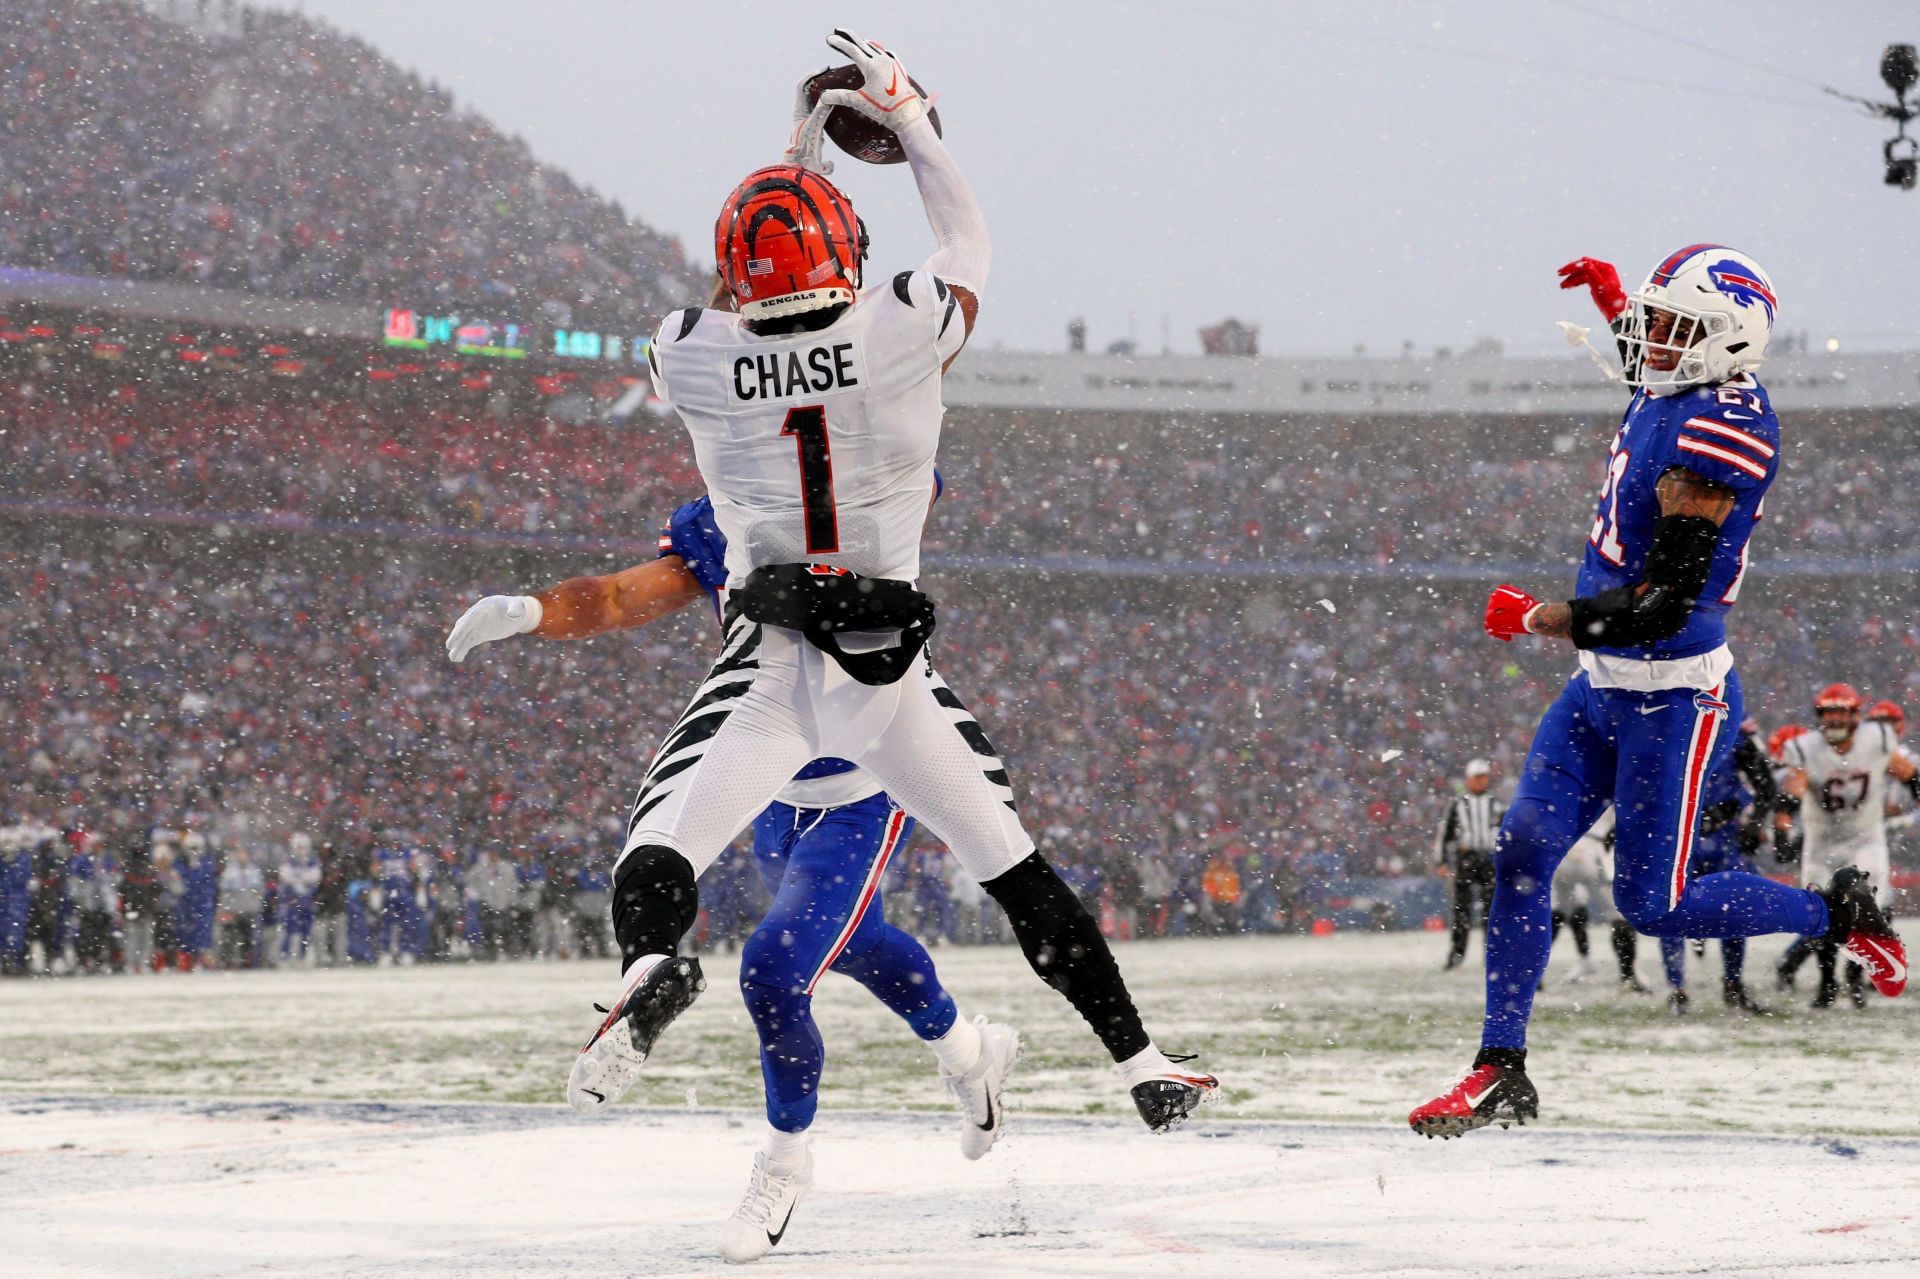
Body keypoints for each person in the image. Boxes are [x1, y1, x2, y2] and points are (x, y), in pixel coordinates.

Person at [450, 17, 1212, 1220]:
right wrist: (904, 118)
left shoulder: (688, 356)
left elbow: (728, 305)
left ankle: (651, 968)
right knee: (1020, 877)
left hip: (768, 669)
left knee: (657, 851)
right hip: (888, 678)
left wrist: (790, 156)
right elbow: (965, 238)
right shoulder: (906, 329)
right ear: (851, 249)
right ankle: (1138, 1059)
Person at [1410, 246, 1905, 1139]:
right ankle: (1501, 1067)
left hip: (1672, 697)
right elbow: (1650, 358)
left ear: (1726, 343)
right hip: (1601, 688)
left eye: (1673, 325)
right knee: (1523, 850)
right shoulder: (1680, 378)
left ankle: (1838, 910)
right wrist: (1613, 298)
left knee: (1652, 902)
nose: (1650, 340)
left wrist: (1538, 619)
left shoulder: (1723, 433)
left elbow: (1657, 604)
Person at [1774, 683, 1919, 1009]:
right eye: (1829, 713)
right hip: (1821, 841)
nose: (1835, 720)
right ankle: (1827, 983)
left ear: (1856, 716)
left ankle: (1855, 979)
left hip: (1865, 837)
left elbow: (1908, 773)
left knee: (1865, 907)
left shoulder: (1876, 740)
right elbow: (1794, 786)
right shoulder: (1806, 747)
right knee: (1823, 912)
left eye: (1841, 712)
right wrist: (1783, 821)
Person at [1655, 718, 1778, 1015]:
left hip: (1721, 834)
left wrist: (1754, 822)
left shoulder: (1732, 725)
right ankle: (1678, 988)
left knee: (1734, 907)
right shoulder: (1665, 720)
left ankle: (1732, 982)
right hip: (1679, 832)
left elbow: (1766, 784)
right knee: (1669, 908)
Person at [1434, 759, 1504, 970]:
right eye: (1476, 777)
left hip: (1490, 860)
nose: (1480, 781)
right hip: (1466, 860)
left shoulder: (1498, 805)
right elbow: (1444, 835)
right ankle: (1457, 954)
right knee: (1461, 910)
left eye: (1483, 777)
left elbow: (1506, 834)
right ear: (1468, 779)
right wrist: (1442, 861)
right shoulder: (1457, 804)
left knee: (1491, 912)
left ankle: (1491, 955)